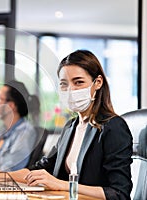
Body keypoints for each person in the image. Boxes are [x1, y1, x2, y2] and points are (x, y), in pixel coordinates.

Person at [9, 50, 133, 199]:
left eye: (78, 82)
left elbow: (119, 194)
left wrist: (62, 184)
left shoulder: (114, 127)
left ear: (98, 83)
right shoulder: (70, 127)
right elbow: (40, 170)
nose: (70, 90)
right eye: (64, 84)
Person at [0, 80, 39, 172]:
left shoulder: (25, 132)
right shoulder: (4, 130)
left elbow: (11, 170)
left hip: (1, 183)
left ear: (11, 105)